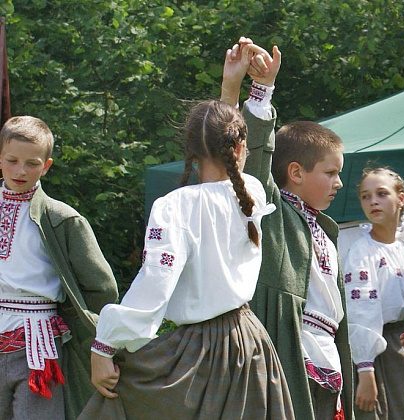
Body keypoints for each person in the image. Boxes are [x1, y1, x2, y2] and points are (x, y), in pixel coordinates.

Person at [79, 46, 294, 418]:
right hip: (251, 343)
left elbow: (155, 284)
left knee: (112, 405)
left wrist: (104, 345)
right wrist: (249, 87)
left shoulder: (176, 206)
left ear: (190, 150)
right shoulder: (251, 194)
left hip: (198, 353)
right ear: (239, 147)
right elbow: (231, 149)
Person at [221, 38, 354, 419]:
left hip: (327, 366)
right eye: (330, 173)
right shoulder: (272, 211)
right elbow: (255, 161)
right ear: (295, 172)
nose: (339, 183)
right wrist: (262, 91)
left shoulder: (325, 230)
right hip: (287, 356)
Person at [0, 116, 118, 420]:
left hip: (38, 347)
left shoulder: (62, 218)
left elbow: (101, 289)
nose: (20, 171)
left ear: (47, 165)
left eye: (32, 163)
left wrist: (84, 333)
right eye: (12, 160)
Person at [343, 167, 404, 419]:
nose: (373, 201)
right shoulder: (362, 252)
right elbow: (361, 311)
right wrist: (365, 370)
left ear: (401, 199)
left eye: (381, 193)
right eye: (365, 196)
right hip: (383, 350)